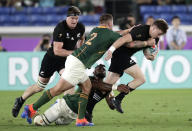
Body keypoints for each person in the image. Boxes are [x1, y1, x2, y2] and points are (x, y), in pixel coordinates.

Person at [21, 14, 167, 126]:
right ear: (110, 24)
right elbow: (124, 40)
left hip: (75, 60)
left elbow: (120, 35)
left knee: (87, 87)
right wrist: (139, 41)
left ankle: (81, 119)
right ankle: (31, 108)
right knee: (58, 90)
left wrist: (130, 32)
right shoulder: (111, 34)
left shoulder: (96, 30)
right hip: (77, 64)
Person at [12, 6, 85, 118]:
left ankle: (64, 109)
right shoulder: (60, 28)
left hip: (65, 61)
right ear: (67, 17)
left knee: (70, 82)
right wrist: (75, 53)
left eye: (76, 18)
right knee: (39, 87)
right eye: (72, 18)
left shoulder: (81, 27)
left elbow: (81, 40)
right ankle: (20, 100)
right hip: (51, 59)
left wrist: (80, 50)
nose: (74, 21)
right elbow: (57, 51)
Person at [104, 19, 168, 113]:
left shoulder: (155, 39)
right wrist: (111, 50)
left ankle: (86, 107)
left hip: (121, 56)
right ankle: (118, 99)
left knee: (105, 86)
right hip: (120, 53)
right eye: (159, 34)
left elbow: (147, 53)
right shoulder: (141, 30)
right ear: (154, 28)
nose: (159, 36)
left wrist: (151, 56)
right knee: (141, 79)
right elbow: (127, 42)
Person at [32, 64, 129, 126]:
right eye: (98, 68)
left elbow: (111, 106)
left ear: (105, 73)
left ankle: (56, 115)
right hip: (65, 105)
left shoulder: (107, 89)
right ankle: (34, 112)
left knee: (59, 124)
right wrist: (115, 87)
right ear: (94, 72)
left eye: (103, 68)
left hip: (74, 115)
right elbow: (97, 85)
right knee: (40, 122)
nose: (101, 69)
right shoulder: (88, 80)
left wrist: (115, 99)